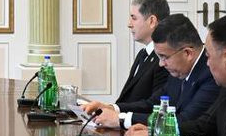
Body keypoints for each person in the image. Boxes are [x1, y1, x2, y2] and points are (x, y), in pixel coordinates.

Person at [86, 13, 219, 129]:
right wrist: (112, 108)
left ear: (187, 53)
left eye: (164, 57)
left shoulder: (212, 74)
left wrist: (121, 119)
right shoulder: (178, 69)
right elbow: (153, 104)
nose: (161, 64)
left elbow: (184, 121)